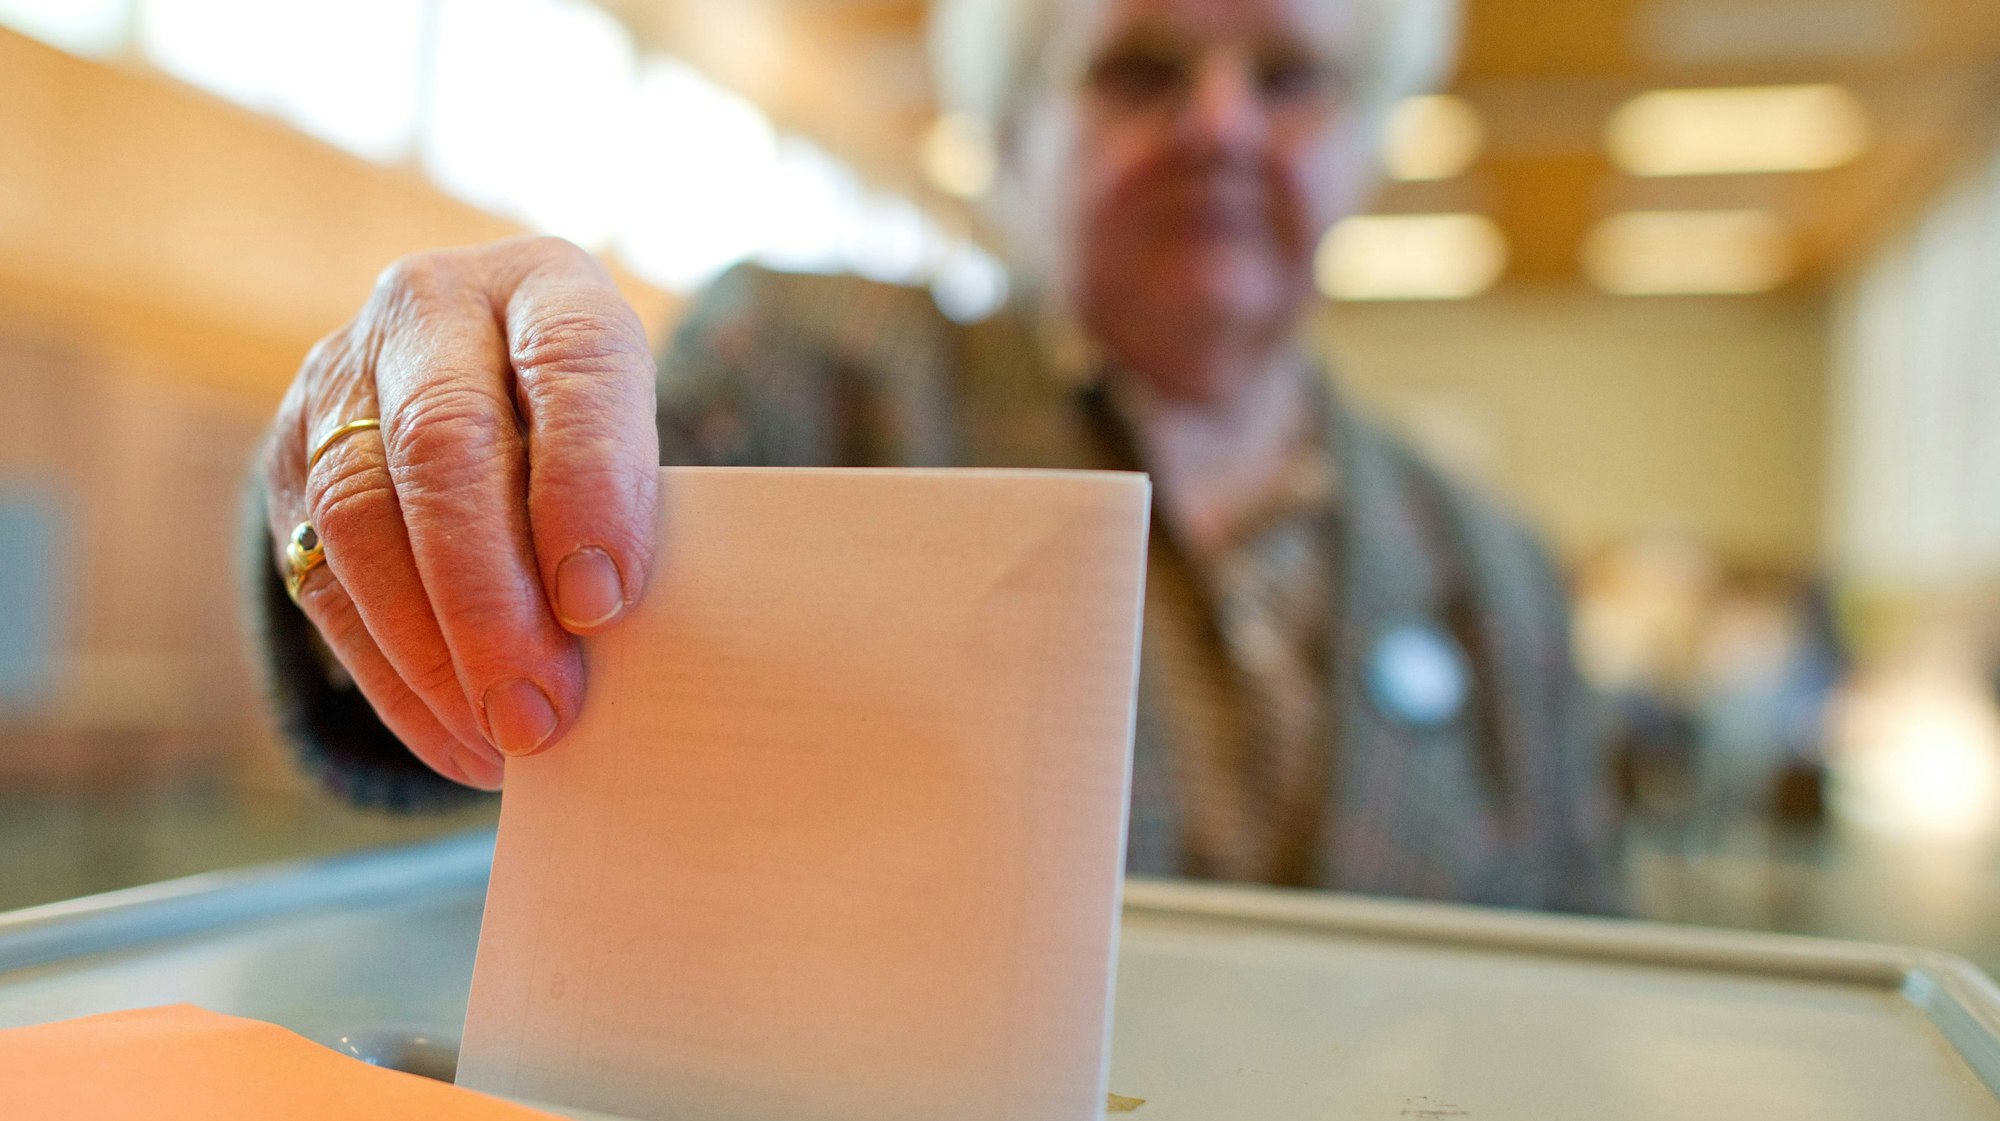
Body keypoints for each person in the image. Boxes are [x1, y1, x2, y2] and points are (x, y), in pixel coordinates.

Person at [252, 0, 1623, 912]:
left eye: (1291, 77)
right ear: (1014, 138)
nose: (1221, 122)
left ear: (1372, 142)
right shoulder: (812, 377)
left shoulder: (1496, 572)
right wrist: (410, 464)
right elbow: (503, 607)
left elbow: (1596, 994)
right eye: (1140, 68)